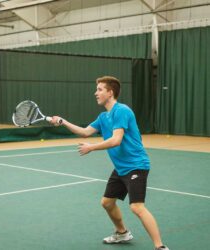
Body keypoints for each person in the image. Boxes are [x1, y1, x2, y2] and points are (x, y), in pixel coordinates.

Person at [50, 76, 169, 250]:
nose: (95, 93)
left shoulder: (121, 111)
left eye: (99, 89)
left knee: (137, 207)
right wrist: (63, 121)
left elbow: (116, 140)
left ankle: (160, 247)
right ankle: (122, 233)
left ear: (110, 92)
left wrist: (92, 147)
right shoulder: (103, 117)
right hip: (121, 168)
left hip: (136, 165)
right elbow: (85, 132)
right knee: (107, 202)